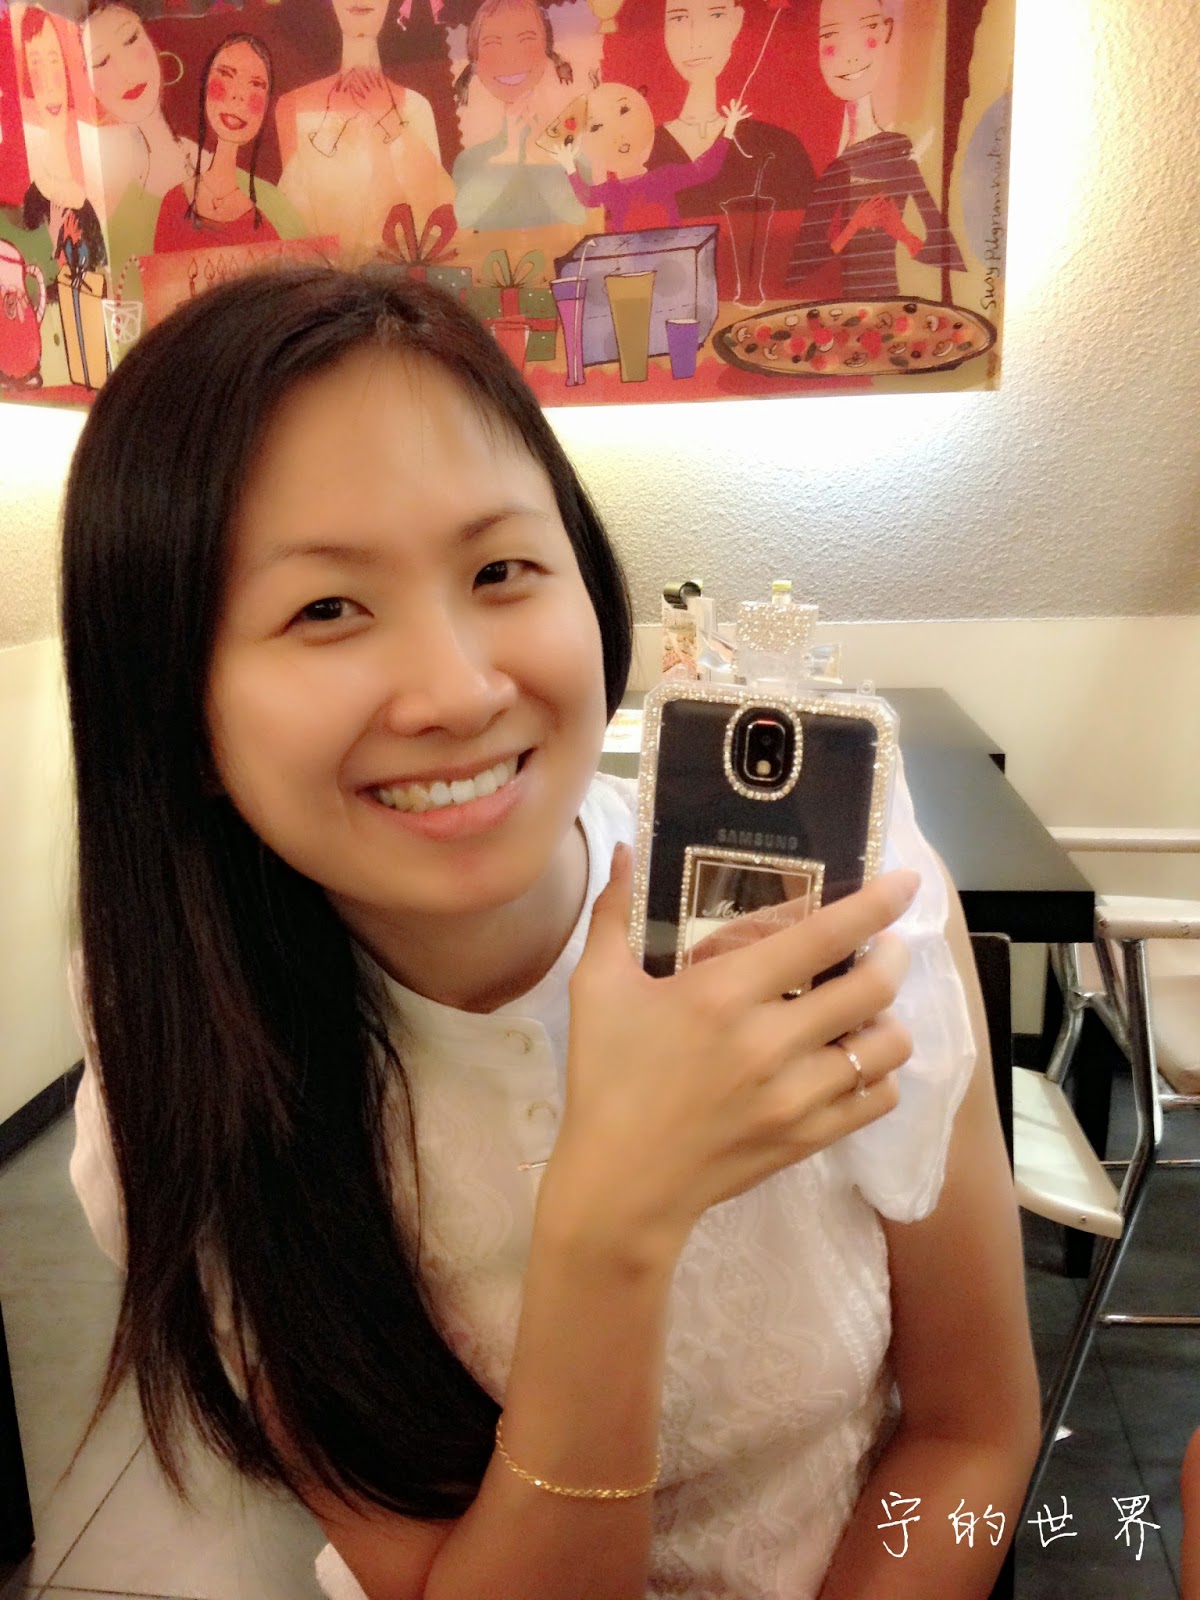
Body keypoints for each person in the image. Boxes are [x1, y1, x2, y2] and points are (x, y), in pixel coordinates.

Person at [63, 265, 1039, 1600]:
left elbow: (971, 1435)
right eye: (326, 608)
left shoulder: (853, 916)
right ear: (178, 713)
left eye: (501, 568)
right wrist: (611, 1227)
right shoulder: (188, 1054)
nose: (461, 691)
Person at [785, 0, 965, 300]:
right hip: (838, 303)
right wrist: (854, 225)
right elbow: (802, 267)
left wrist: (900, 231)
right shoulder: (826, 161)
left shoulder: (897, 148)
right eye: (830, 36)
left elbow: (945, 252)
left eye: (868, 28)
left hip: (890, 298)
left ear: (886, 31)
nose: (852, 55)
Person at [274, 0, 454, 265]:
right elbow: (293, 223)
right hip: (324, 280)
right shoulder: (293, 105)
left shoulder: (416, 106)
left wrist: (388, 121)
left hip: (401, 277)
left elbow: (436, 208)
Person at [153, 32, 302, 252]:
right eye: (225, 74)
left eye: (256, 85)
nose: (238, 96)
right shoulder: (174, 201)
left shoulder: (275, 208)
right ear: (205, 84)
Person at [450, 0, 585, 231]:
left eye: (526, 40)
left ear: (547, 50)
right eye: (492, 44)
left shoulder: (573, 151)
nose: (510, 57)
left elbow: (580, 215)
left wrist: (539, 153)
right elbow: (462, 218)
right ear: (475, 61)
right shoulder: (470, 160)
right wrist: (510, 152)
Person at [544, 83, 751, 232]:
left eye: (624, 111)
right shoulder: (612, 190)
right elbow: (587, 198)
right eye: (596, 127)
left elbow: (704, 170)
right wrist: (569, 166)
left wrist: (729, 129)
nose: (618, 135)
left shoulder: (664, 177)